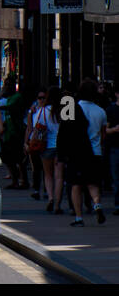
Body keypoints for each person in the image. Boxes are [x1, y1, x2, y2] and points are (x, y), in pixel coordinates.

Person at [60, 80, 107, 227]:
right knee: (93, 183)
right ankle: (97, 204)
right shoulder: (100, 111)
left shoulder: (72, 108)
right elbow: (103, 134)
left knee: (76, 185)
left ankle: (79, 217)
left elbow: (65, 131)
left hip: (77, 153)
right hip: (95, 152)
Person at [0, 77, 28, 190]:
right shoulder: (9, 98)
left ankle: (23, 181)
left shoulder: (17, 97)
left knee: (19, 159)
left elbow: (11, 108)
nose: (5, 87)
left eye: (8, 84)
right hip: (9, 133)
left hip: (16, 133)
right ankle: (15, 180)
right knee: (9, 159)